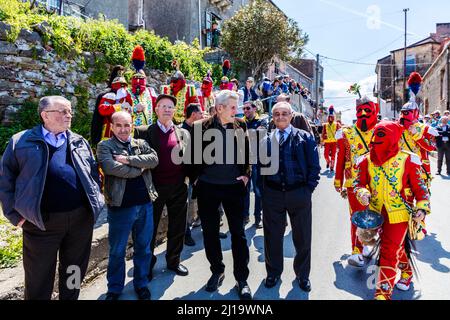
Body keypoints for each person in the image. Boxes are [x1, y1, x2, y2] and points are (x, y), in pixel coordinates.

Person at [0, 96, 104, 300]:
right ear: (45, 115)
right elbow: (5, 180)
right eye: (63, 111)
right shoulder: (21, 142)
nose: (69, 115)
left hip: (79, 221)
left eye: (70, 111)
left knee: (73, 270)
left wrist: (95, 202)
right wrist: (15, 215)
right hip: (40, 223)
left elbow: (92, 172)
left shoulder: (78, 141)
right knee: (38, 276)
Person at [354, 121, 430, 300]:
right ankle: (406, 273)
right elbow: (359, 183)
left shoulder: (408, 159)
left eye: (382, 135)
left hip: (399, 215)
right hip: (375, 215)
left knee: (388, 250)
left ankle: (383, 293)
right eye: (376, 134)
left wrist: (422, 208)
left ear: (393, 137)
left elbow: (421, 189)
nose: (376, 139)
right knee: (397, 247)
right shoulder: (366, 159)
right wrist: (362, 192)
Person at [189, 90, 252, 300]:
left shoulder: (241, 125)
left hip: (234, 188)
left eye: (238, 107)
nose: (237, 111)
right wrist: (196, 179)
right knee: (210, 233)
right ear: (219, 108)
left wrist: (245, 175)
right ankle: (217, 270)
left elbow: (247, 153)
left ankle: (241, 279)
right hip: (208, 188)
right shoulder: (200, 127)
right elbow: (190, 157)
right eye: (233, 107)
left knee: (239, 235)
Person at [97, 111, 158, 300]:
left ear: (132, 125)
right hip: (120, 207)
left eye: (127, 125)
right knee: (117, 251)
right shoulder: (105, 145)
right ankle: (114, 289)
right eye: (119, 125)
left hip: (145, 205)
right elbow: (110, 167)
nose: (123, 130)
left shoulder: (140, 143)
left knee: (144, 248)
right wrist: (139, 169)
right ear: (112, 127)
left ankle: (141, 284)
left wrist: (128, 160)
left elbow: (154, 160)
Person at [260, 102, 320, 292]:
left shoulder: (305, 137)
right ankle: (273, 272)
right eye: (276, 114)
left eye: (284, 113)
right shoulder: (266, 140)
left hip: (299, 194)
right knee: (272, 237)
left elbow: (314, 167)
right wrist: (265, 191)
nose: (280, 117)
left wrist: (308, 189)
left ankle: (303, 275)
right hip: (273, 194)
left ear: (291, 115)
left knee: (302, 237)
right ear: (272, 117)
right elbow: (258, 168)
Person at [134, 94, 190, 280]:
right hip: (154, 189)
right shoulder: (143, 132)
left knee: (178, 227)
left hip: (178, 187)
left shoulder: (182, 133)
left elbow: (190, 159)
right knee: (149, 229)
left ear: (175, 111)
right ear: (156, 109)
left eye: (170, 107)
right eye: (163, 106)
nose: (167, 109)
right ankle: (147, 266)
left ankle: (174, 261)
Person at [334, 97, 379, 267]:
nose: (363, 114)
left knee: (374, 216)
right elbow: (340, 159)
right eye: (360, 111)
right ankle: (356, 251)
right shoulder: (347, 133)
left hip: (378, 182)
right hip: (354, 182)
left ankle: (368, 243)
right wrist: (338, 181)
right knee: (358, 216)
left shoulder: (381, 130)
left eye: (367, 110)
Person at [181, 103, 204, 246]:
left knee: (204, 203)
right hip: (189, 177)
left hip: (200, 174)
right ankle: (185, 234)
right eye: (200, 112)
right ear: (194, 114)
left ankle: (207, 228)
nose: (202, 115)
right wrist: (193, 177)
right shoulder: (182, 131)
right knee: (186, 205)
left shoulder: (200, 128)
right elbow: (184, 158)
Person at [91, 65, 130, 147]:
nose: (122, 87)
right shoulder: (109, 95)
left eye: (124, 85)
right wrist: (118, 106)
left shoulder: (127, 96)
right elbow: (103, 110)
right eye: (120, 85)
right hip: (109, 130)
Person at [243, 101, 268, 228]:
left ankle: (258, 217)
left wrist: (247, 134)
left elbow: (261, 134)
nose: (245, 110)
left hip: (258, 161)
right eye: (244, 108)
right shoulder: (241, 121)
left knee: (258, 191)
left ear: (254, 108)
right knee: (244, 190)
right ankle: (245, 216)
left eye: (248, 108)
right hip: (244, 161)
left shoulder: (263, 120)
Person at [321, 106, 341, 171]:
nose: (330, 118)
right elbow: (323, 133)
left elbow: (340, 133)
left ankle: (332, 166)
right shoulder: (325, 125)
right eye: (329, 117)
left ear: (333, 117)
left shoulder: (337, 124)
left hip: (334, 142)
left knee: (333, 155)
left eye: (332, 117)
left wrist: (339, 142)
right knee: (325, 155)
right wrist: (323, 139)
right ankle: (328, 162)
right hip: (327, 142)